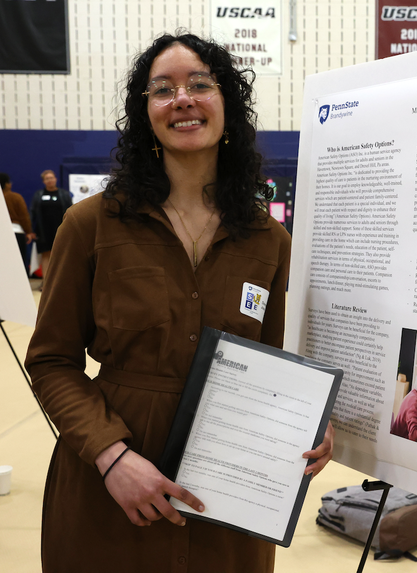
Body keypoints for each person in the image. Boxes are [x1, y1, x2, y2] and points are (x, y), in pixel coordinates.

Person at [24, 32, 334, 573]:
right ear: (145, 114)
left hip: (230, 494)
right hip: (110, 490)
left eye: (200, 84)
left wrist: (309, 422)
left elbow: (286, 367)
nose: (183, 99)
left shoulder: (269, 241)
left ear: (227, 106)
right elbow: (52, 361)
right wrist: (111, 456)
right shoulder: (90, 224)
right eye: (162, 89)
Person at [29, 169, 73, 283]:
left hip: (61, 229)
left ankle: (61, 283)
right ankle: (46, 283)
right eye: (47, 178)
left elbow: (71, 211)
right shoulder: (38, 195)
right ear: (43, 181)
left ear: (56, 179)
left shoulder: (63, 194)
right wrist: (30, 230)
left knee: (61, 255)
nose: (50, 180)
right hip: (43, 230)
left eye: (51, 178)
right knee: (46, 255)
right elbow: (32, 212)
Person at [1, 172, 35, 272]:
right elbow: (24, 216)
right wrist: (28, 231)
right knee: (18, 263)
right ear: (7, 184)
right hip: (16, 232)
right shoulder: (16, 197)